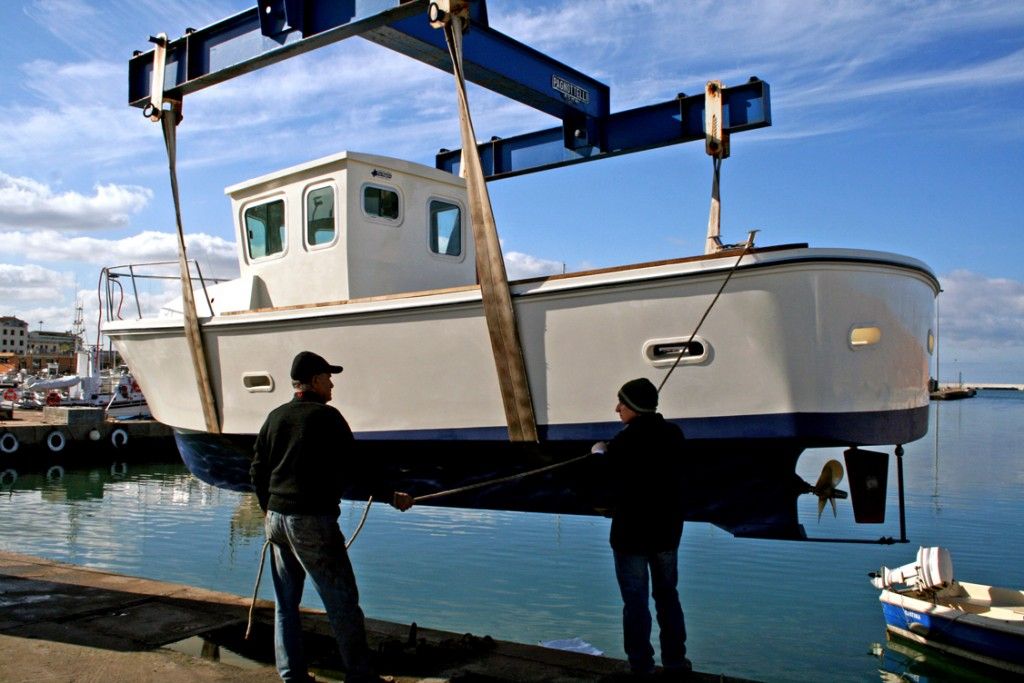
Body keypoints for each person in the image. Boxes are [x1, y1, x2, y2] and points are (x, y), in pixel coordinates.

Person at [251, 350, 395, 683]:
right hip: (310, 521)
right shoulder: (327, 418)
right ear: (315, 381)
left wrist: (266, 508)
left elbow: (258, 469)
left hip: (276, 518)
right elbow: (356, 468)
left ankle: (292, 676)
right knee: (342, 601)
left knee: (286, 604)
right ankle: (360, 676)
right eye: (328, 377)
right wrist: (391, 496)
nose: (332, 384)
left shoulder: (274, 417)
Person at [592, 377, 691, 679]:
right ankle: (675, 663)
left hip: (631, 537)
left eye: (621, 403)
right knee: (668, 597)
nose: (617, 408)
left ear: (633, 406)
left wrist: (598, 455)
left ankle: (641, 666)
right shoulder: (674, 435)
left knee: (635, 604)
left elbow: (605, 485)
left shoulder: (624, 442)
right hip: (666, 535)